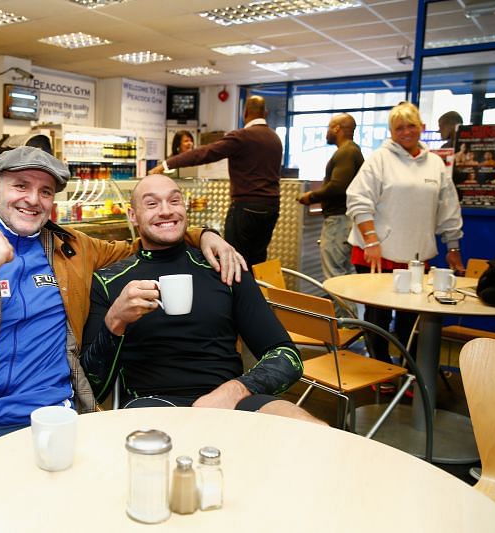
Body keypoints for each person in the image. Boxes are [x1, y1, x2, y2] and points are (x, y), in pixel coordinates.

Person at [0, 147, 244, 532]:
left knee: (100, 505)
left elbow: (143, 245)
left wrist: (203, 234)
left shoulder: (73, 248)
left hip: (47, 419)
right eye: (21, 185)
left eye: (44, 192)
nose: (33, 199)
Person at [80, 174, 325, 425]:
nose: (166, 211)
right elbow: (91, 389)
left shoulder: (225, 267)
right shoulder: (109, 282)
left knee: (315, 432)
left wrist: (235, 390)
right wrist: (115, 322)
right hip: (152, 405)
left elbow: (287, 357)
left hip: (232, 402)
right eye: (152, 204)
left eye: (174, 201)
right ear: (133, 215)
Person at [346, 102, 464, 366]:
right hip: (376, 252)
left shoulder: (435, 163)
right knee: (378, 317)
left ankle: (410, 370)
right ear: (391, 131)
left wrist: (453, 247)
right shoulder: (379, 159)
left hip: (416, 254)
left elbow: (448, 208)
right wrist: (372, 240)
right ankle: (380, 367)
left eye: (411, 125)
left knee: (410, 318)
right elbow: (357, 200)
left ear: (422, 127)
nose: (406, 132)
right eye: (399, 127)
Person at [148, 95, 282, 266]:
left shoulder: (242, 136)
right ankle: (258, 291)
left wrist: (166, 164)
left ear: (245, 112)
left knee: (235, 258)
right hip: (271, 207)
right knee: (258, 258)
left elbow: (206, 153)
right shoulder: (275, 138)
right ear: (266, 113)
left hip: (247, 207)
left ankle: (238, 292)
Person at [297, 113, 364, 317]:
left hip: (338, 221)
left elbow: (338, 186)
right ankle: (352, 321)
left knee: (334, 276)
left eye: (328, 127)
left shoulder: (346, 152)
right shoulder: (353, 151)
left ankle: (345, 325)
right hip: (346, 220)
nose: (326, 132)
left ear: (337, 128)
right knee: (344, 274)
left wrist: (311, 196)